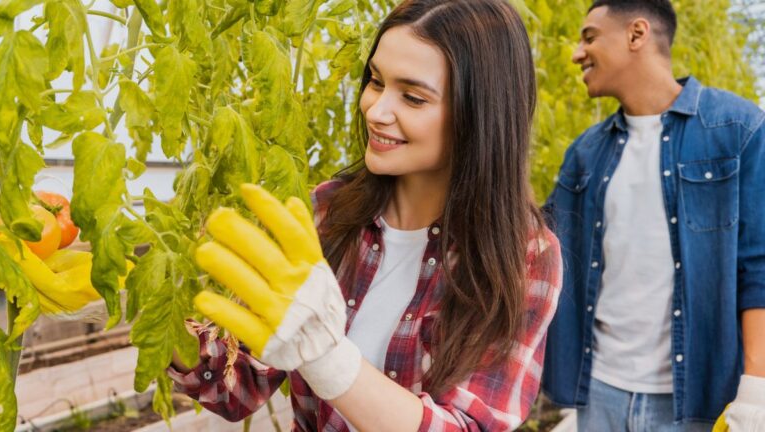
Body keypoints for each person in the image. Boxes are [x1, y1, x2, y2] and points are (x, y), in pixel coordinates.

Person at [168, 0, 562, 431]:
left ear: (481, 112)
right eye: (375, 81)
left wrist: (327, 359)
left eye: (412, 97)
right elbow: (234, 385)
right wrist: (146, 306)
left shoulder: (524, 254)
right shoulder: (327, 212)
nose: (375, 110)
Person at [540, 0, 765, 430]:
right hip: (598, 392)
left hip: (697, 400)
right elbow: (545, 254)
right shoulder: (585, 153)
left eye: (589, 37)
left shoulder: (739, 130)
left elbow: (758, 267)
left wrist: (756, 390)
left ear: (636, 35)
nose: (575, 53)